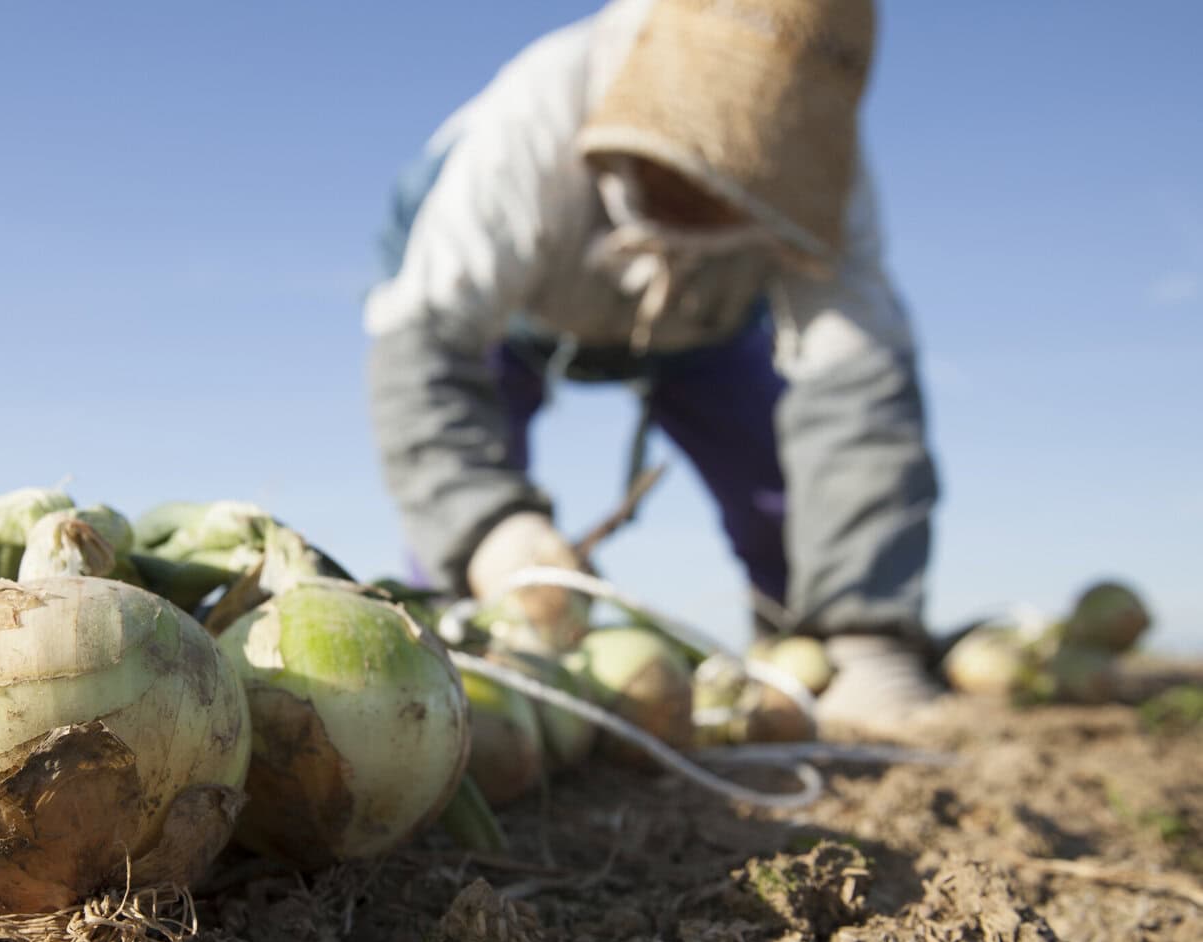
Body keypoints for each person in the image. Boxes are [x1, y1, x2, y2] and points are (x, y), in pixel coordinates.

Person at [363, 0, 940, 731]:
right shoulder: (533, 118)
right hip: (507, 314)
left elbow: (858, 393)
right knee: (472, 546)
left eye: (737, 184)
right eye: (684, 166)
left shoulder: (826, 177)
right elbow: (424, 354)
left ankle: (810, 654)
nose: (701, 203)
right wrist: (484, 524)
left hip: (708, 325)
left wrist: (871, 637)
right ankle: (468, 677)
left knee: (782, 499)